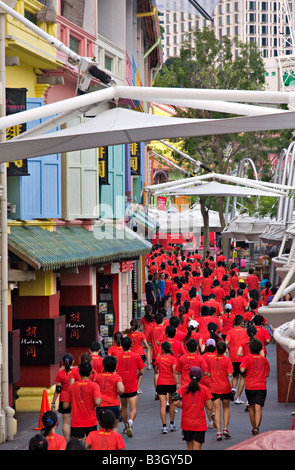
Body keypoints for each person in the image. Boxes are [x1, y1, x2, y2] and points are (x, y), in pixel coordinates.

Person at [173, 366, 213, 450]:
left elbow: (175, 402)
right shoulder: (205, 389)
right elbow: (210, 407)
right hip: (199, 424)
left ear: (189, 376)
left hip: (186, 423)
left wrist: (185, 406)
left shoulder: (183, 388)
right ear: (200, 377)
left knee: (189, 447)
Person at [63, 361, 102, 440]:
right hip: (91, 422)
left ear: (79, 373)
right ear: (91, 373)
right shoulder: (94, 386)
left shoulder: (72, 387)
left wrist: (74, 402)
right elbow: (97, 402)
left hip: (76, 423)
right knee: (91, 445)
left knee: (77, 446)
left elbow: (65, 405)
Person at [116, 336, 145, 438]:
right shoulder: (136, 356)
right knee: (133, 409)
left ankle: (125, 426)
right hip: (132, 386)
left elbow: (115, 371)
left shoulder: (118, 357)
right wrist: (136, 376)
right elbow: (142, 371)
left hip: (122, 386)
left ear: (121, 345)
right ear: (130, 345)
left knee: (123, 407)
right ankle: (130, 422)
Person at [240, 338, 270, 435]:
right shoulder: (264, 360)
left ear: (250, 348)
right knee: (259, 408)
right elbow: (267, 374)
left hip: (250, 386)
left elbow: (242, 370)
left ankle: (254, 427)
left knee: (252, 408)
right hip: (261, 386)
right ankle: (257, 427)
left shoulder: (246, 358)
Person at [206, 341, 234, 441]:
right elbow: (230, 375)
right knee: (226, 408)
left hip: (214, 387)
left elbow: (208, 374)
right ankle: (225, 429)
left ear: (216, 349)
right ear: (225, 349)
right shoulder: (227, 360)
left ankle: (218, 432)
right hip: (225, 387)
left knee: (217, 410)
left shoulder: (211, 360)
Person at [51, 353, 80, 441]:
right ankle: (77, 441)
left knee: (66, 423)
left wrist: (53, 402)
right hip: (75, 399)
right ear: (73, 361)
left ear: (63, 362)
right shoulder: (77, 372)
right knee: (77, 422)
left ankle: (68, 442)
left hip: (64, 399)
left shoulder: (60, 374)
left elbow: (58, 389)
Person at [94, 355, 125, 432]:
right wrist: (117, 392)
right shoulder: (117, 377)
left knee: (101, 428)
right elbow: (121, 390)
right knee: (114, 427)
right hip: (113, 405)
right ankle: (113, 443)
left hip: (101, 405)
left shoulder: (98, 377)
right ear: (114, 367)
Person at [154, 341, 178, 434]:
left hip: (161, 383)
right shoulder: (173, 359)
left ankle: (164, 427)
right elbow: (174, 371)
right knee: (172, 404)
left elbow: (156, 371)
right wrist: (177, 383)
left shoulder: (158, 359)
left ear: (162, 349)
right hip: (171, 383)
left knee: (163, 405)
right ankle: (172, 424)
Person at [225, 315, 248, 405]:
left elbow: (226, 342)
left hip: (233, 357)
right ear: (242, 322)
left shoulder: (230, 332)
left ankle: (233, 388)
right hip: (242, 357)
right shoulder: (245, 332)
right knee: (242, 377)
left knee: (235, 376)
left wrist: (228, 348)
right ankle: (238, 397)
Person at [125, 319, 150, 391]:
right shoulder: (141, 334)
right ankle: (137, 388)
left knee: (132, 371)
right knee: (140, 371)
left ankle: (132, 386)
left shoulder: (129, 335)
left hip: (131, 355)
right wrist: (142, 347)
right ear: (138, 326)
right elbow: (147, 346)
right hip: (140, 354)